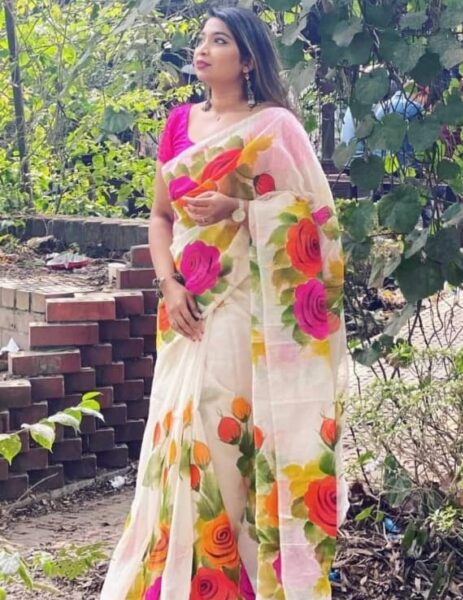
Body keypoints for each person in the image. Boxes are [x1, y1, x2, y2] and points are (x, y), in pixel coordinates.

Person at [100, 7, 348, 600]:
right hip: (185, 306)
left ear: (249, 59)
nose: (203, 49)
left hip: (243, 307)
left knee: (222, 432)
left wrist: (239, 209)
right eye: (201, 39)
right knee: (176, 436)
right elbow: (160, 217)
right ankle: (177, 579)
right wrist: (168, 284)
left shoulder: (274, 128)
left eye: (219, 41)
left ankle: (236, 581)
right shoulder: (179, 124)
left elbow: (316, 220)